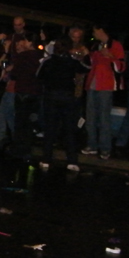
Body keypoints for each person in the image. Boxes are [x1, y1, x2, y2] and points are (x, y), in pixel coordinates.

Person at [37, 37, 89, 171]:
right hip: (67, 97)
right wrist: (86, 55)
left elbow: (39, 75)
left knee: (50, 129)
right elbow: (86, 67)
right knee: (69, 129)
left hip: (51, 96)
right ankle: (72, 161)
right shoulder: (71, 61)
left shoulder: (49, 61)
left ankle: (46, 159)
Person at [81, 23, 125, 160]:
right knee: (90, 117)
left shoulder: (116, 45)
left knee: (104, 118)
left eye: (95, 31)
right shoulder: (95, 46)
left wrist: (111, 56)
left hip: (106, 85)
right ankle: (92, 145)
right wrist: (85, 55)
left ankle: (105, 148)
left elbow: (122, 67)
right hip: (92, 84)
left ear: (101, 30)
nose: (93, 34)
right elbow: (89, 64)